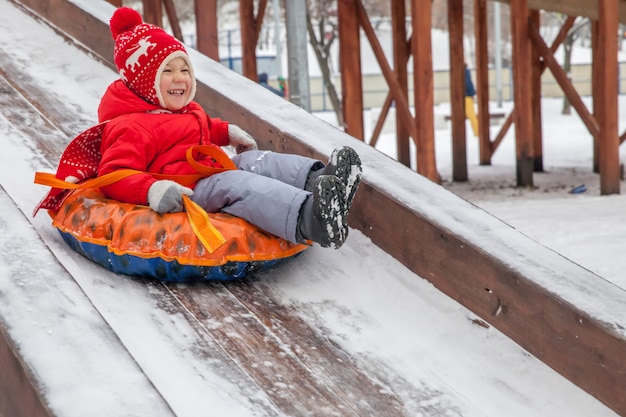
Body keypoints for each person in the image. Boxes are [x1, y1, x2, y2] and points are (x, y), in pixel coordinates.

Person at [92, 7, 361, 249]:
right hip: (186, 189)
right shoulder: (131, 126)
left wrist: (225, 132)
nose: (179, 78)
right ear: (143, 82)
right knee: (239, 185)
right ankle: (311, 218)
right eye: (166, 71)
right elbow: (114, 174)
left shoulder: (175, 109)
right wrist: (153, 189)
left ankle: (322, 181)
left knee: (252, 160)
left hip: (205, 169)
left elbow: (197, 127)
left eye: (184, 70)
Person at [464, 63, 479, 137]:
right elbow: (468, 82)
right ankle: (477, 132)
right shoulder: (466, 71)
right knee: (472, 115)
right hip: (467, 96)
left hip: (458, 97)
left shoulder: (456, 71)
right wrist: (473, 93)